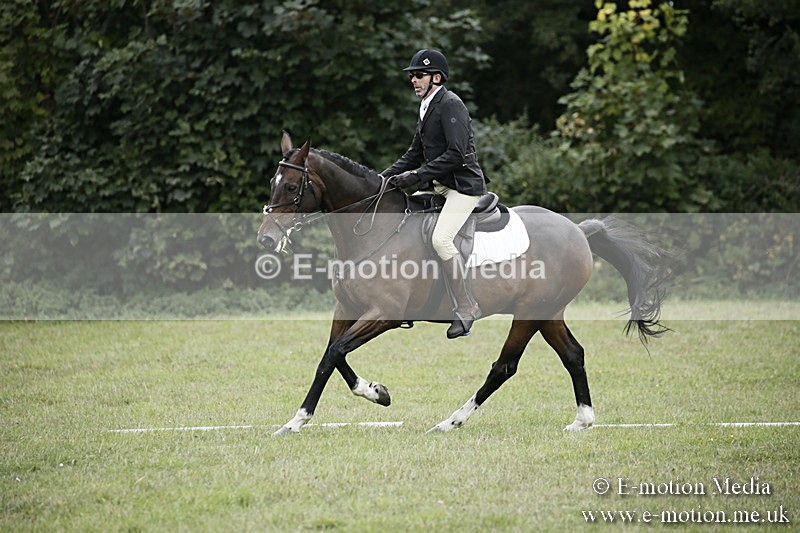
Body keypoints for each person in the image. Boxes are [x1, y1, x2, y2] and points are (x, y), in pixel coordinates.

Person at [381, 49, 489, 339]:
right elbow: (413, 154)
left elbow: (455, 154)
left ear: (436, 77)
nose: (413, 80)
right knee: (405, 225)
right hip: (439, 186)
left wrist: (416, 176)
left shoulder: (451, 104)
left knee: (441, 240)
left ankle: (466, 308)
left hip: (463, 188)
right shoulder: (427, 106)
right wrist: (381, 179)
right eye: (412, 76)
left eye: (419, 75)